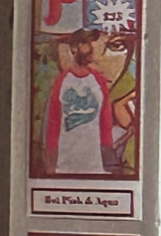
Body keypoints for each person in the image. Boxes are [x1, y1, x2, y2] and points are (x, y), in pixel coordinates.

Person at [45, 30, 114, 175]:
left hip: (93, 161)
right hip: (66, 161)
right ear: (75, 47)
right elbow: (53, 120)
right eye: (87, 44)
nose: (92, 48)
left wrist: (107, 144)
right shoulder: (62, 81)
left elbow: (105, 115)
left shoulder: (98, 80)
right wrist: (50, 156)